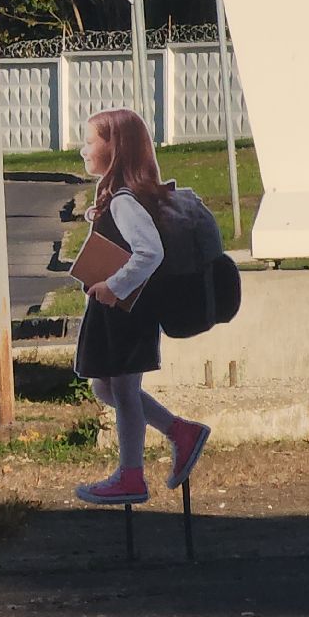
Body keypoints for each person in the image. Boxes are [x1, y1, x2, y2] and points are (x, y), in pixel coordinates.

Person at [72, 108, 211, 506]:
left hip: (126, 310)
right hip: (117, 309)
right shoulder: (117, 199)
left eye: (90, 141)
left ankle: (131, 475)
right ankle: (180, 432)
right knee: (106, 385)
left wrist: (114, 286)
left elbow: (150, 252)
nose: (83, 149)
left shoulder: (124, 202)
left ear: (115, 148)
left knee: (124, 388)